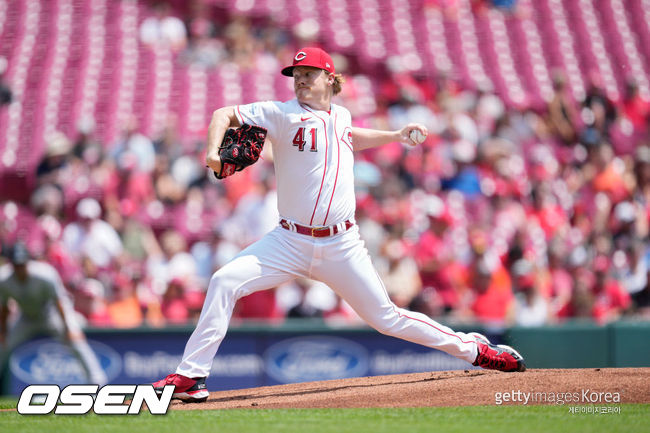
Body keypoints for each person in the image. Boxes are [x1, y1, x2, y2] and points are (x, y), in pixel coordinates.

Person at [153, 47, 526, 402]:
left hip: (341, 245)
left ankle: (475, 350)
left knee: (387, 319)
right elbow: (222, 114)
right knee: (223, 281)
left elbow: (348, 136)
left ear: (330, 78)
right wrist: (211, 155)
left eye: (308, 73)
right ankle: (192, 375)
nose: (300, 80)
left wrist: (394, 136)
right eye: (296, 74)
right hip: (288, 241)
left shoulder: (342, 116)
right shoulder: (281, 113)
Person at [0, 242, 107, 385]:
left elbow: (60, 302)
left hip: (51, 314)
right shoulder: (4, 279)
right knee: (3, 346)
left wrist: (68, 328)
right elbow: (4, 307)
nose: (20, 268)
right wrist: (3, 332)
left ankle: (97, 382)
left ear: (28, 261)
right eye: (16, 264)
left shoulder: (45, 274)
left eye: (22, 264)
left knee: (76, 341)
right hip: (25, 317)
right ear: (11, 264)